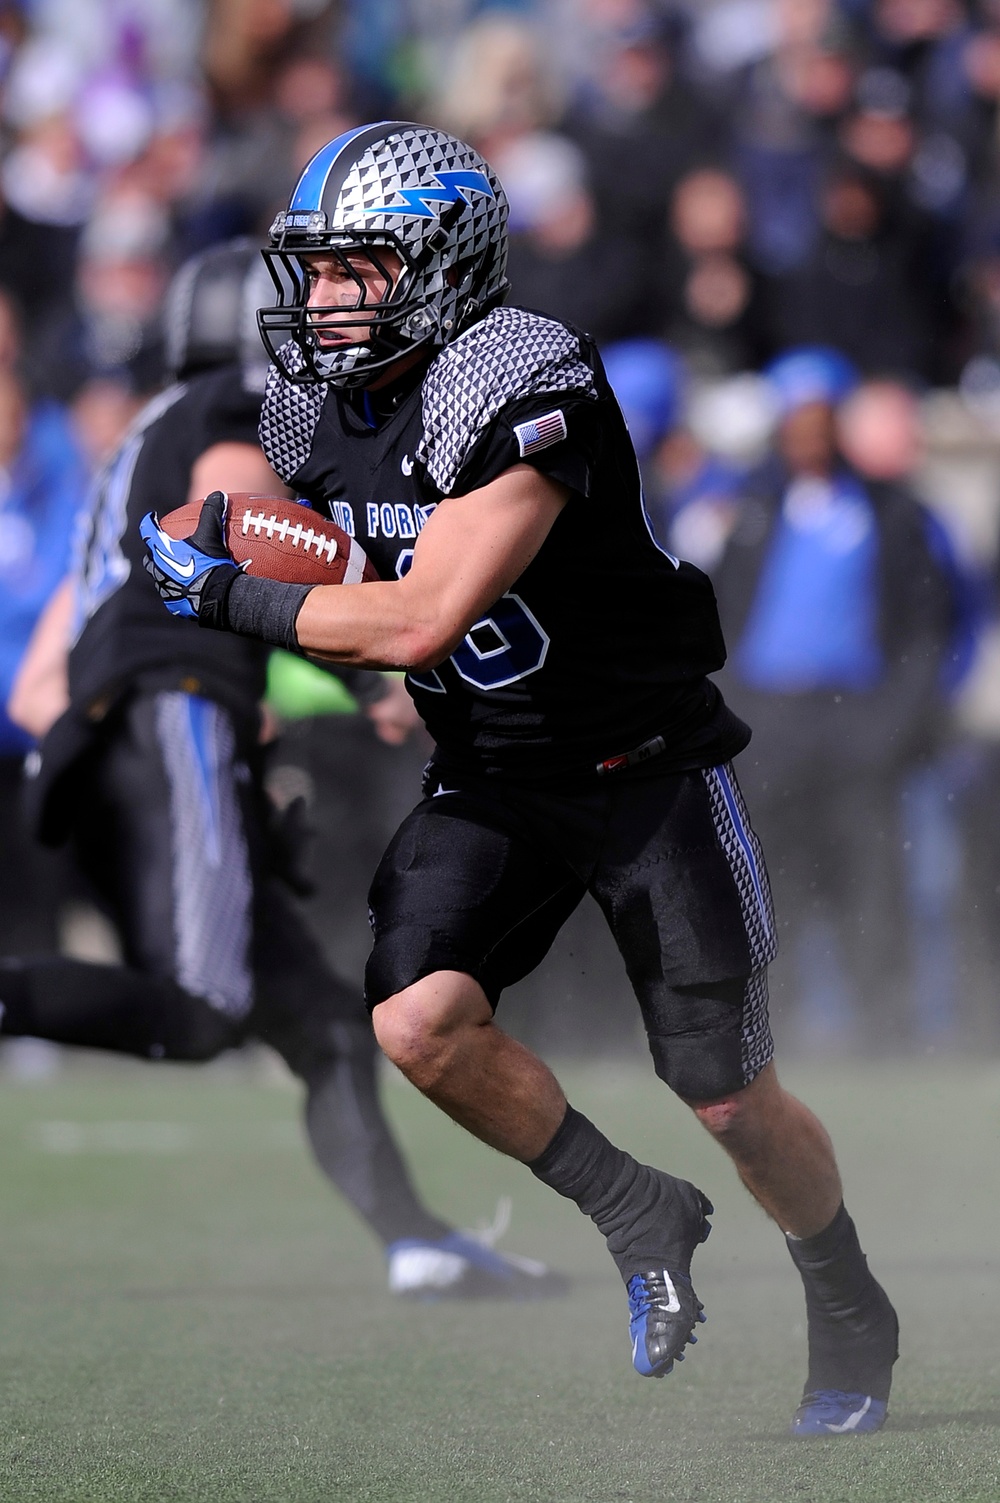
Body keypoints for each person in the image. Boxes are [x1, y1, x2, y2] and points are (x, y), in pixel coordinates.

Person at [141, 123, 898, 1434]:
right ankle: (633, 1205)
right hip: (490, 769)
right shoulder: (308, 398)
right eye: (310, 270)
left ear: (440, 264)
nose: (318, 299)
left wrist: (231, 593)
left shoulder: (522, 373)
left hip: (641, 764)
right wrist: (225, 543)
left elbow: (424, 613)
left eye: (352, 269)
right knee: (414, 1021)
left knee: (723, 1087)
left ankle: (845, 1293)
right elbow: (280, 515)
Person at [3, 237, 565, 1302]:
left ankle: (416, 1240)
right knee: (205, 1008)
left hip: (116, 741)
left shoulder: (129, 450)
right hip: (175, 718)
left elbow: (42, 680)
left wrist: (156, 753)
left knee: (318, 1025)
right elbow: (239, 532)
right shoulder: (226, 407)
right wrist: (359, 670)